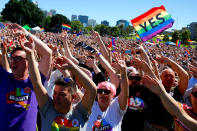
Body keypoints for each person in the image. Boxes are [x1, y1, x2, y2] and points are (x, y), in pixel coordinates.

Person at [20, 36, 97, 130]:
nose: (56, 97)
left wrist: (72, 67)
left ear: (73, 97)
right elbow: (36, 84)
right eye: (55, 93)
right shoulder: (47, 108)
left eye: (62, 94)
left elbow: (92, 90)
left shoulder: (80, 112)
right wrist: (30, 54)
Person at [0, 24, 52, 131]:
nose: (13, 61)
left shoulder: (35, 83)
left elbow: (48, 54)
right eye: (12, 58)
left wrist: (26, 33)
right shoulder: (4, 78)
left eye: (18, 58)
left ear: (29, 62)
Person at [84, 59, 129, 131]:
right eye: (100, 91)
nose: (102, 93)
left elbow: (125, 92)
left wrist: (123, 72)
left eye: (107, 92)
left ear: (113, 95)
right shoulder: (91, 105)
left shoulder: (117, 106)